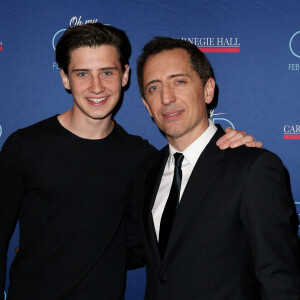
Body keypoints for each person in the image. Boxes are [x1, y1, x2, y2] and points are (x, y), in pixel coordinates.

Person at [0, 23, 260, 300]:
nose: (96, 87)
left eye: (107, 72)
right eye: (82, 74)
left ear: (124, 75)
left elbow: (147, 245)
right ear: (65, 78)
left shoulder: (143, 159)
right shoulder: (26, 147)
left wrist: (232, 145)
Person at [136, 37, 300, 299]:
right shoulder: (147, 171)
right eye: (154, 88)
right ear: (147, 106)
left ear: (208, 90)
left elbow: (280, 279)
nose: (167, 98)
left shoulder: (253, 168)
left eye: (179, 81)